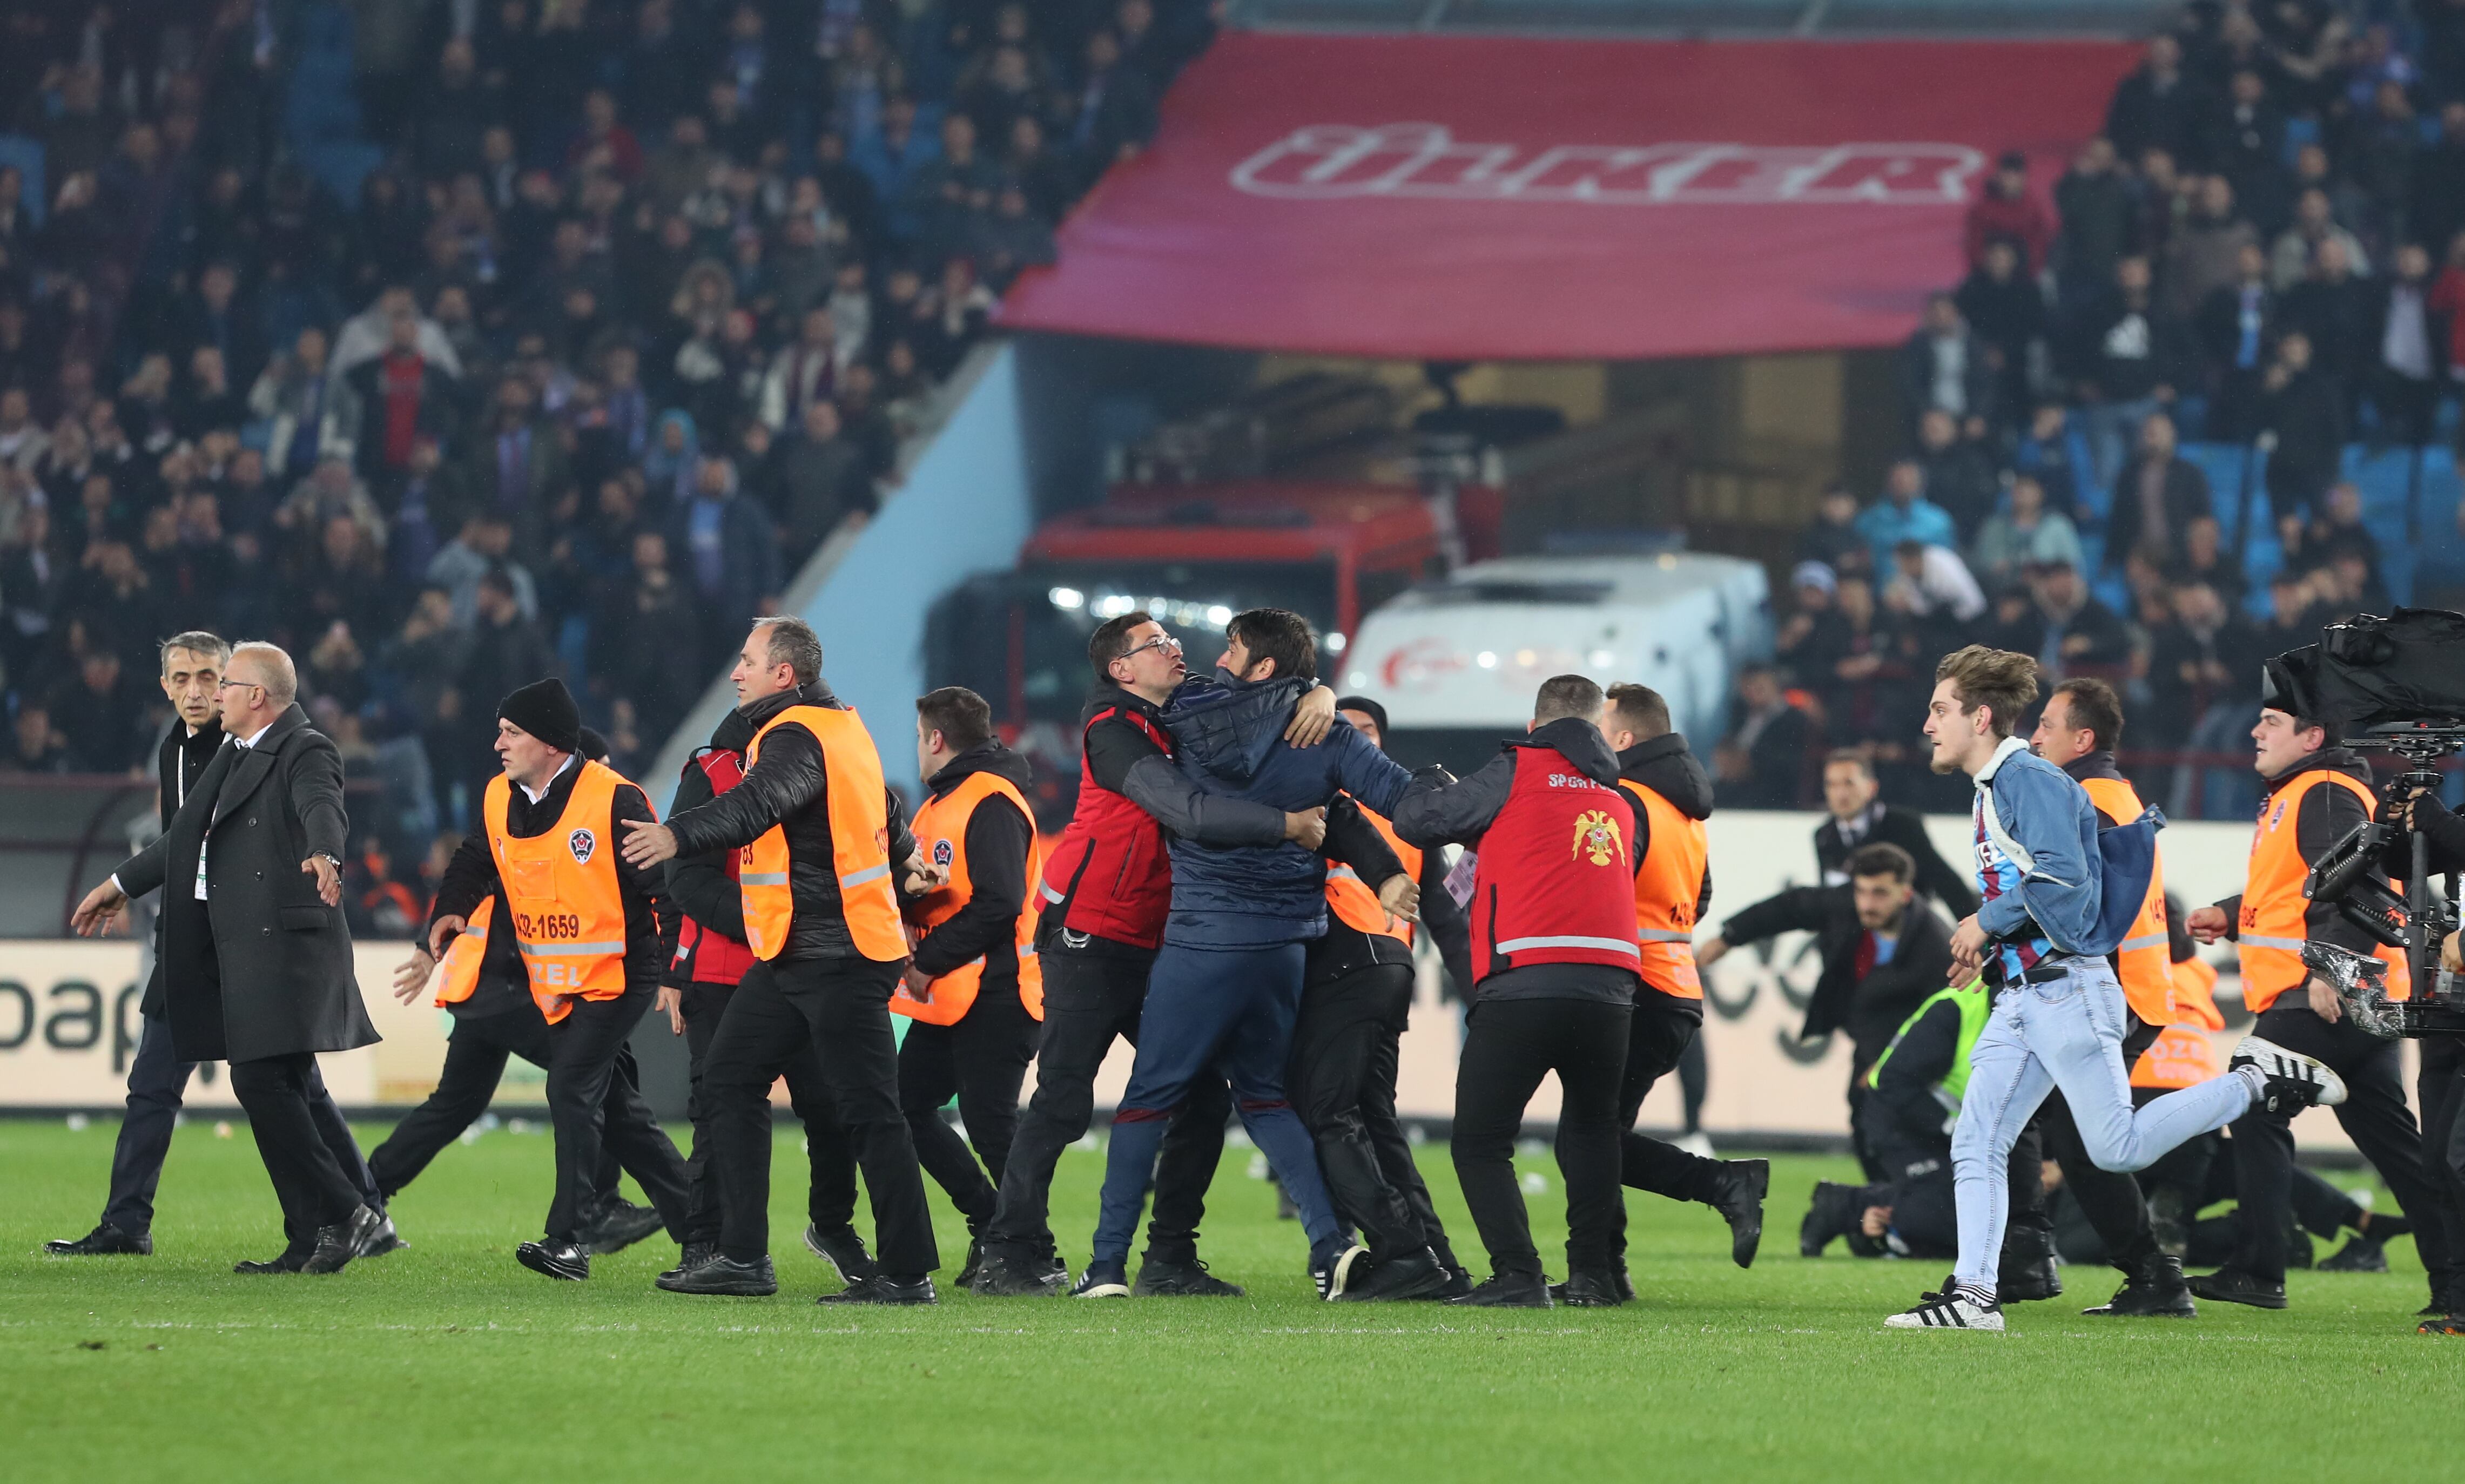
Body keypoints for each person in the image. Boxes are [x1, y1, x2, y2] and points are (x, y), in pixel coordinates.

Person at [1883, 646, 2318, 1333]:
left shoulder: (2024, 779)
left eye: (1941, 711)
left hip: (2067, 995)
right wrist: (1992, 947)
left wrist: (1985, 921)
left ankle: (2253, 1082)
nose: (1929, 724)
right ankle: (1972, 1300)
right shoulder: (2001, 784)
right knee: (1977, 1142)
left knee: (2114, 1149)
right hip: (2029, 995)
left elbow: (2068, 882)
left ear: (1981, 717)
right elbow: (2044, 885)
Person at [971, 610, 1336, 1299]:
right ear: (1122, 670)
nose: (1176, 649)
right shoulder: (1111, 732)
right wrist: (1282, 826)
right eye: (1157, 644)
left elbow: (1272, 688)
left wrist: (1320, 694)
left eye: (1172, 640)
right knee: (1063, 1098)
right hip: (1091, 935)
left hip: (1164, 938)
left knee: (1199, 1099)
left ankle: (1168, 1259)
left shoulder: (1182, 710)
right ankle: (1009, 1250)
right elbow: (1184, 810)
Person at [1077, 609, 1420, 1301]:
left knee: (1147, 1100)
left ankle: (1108, 1267)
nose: (1192, 654)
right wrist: (1315, 695)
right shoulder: (1305, 724)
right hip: (1287, 943)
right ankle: (1330, 1245)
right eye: (1161, 646)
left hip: (1205, 938)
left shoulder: (1186, 716)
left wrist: (1309, 705)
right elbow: (1379, 805)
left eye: (1229, 646)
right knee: (1264, 1096)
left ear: (1258, 666)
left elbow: (1192, 811)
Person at [625, 617, 943, 1304]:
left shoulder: (794, 736)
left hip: (837, 954)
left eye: (747, 661)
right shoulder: (842, 729)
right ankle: (742, 1258)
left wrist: (676, 835)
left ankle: (907, 1272)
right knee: (731, 1080)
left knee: (867, 1110)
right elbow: (888, 819)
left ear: (784, 675)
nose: (736, 673)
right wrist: (909, 867)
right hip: (806, 951)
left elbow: (757, 804)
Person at [47, 632, 388, 1260]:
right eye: (185, 679)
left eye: (218, 679)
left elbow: (322, 806)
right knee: (233, 1083)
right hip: (203, 943)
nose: (205, 693)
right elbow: (182, 840)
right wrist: (120, 884)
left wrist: (325, 852)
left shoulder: (291, 747)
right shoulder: (194, 749)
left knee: (275, 1084)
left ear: (252, 694)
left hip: (263, 948)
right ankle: (333, 1220)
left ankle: (349, 1211)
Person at [2182, 665, 2451, 1315]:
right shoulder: (2307, 789)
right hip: (2345, 997)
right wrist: (2230, 909)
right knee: (2400, 1153)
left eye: (2270, 723)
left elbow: (2357, 887)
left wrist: (2333, 969)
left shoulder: (2323, 789)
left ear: (2312, 737)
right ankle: (2455, 1282)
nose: (2253, 731)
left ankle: (2259, 1268)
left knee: (2252, 1102)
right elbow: (2313, 883)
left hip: (2321, 996)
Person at [423, 679, 696, 1280]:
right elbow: (475, 858)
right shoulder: (501, 796)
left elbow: (664, 892)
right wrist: (450, 910)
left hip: (622, 972)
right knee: (621, 1114)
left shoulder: (614, 799)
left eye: (511, 732)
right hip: (561, 985)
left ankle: (568, 1238)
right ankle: (704, 1232)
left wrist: (678, 971)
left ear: (549, 742)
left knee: (570, 1087)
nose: (498, 743)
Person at [366, 727, 662, 1255]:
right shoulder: (539, 825)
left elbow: (467, 877)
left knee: (457, 1105)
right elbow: (481, 883)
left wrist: (429, 947)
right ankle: (606, 1206)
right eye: (603, 765)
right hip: (506, 988)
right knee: (600, 1085)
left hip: (485, 987)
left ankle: (360, 1198)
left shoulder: (524, 820)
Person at [1392, 674, 1639, 1307]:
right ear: (1597, 729)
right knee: (1591, 1132)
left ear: (1535, 726)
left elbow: (1420, 821)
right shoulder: (1619, 794)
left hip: (1525, 980)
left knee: (1480, 1140)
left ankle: (1518, 1275)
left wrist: (1425, 780)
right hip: (1612, 988)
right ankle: (1592, 1275)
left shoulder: (1515, 769)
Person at [656, 704, 870, 1286]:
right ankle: (712, 1245)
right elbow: (685, 879)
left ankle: (831, 1225)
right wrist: (761, 927)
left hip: (805, 964)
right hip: (729, 971)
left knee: (830, 1109)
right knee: (719, 1110)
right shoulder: (714, 771)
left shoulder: (810, 765)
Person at [1286, 694, 1474, 1301]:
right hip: (1376, 975)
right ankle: (1436, 1258)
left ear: (1381, 744)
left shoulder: (1343, 803)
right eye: (1344, 730)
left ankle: (1396, 1251)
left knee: (1329, 1115)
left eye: (1364, 731)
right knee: (1375, 1125)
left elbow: (1446, 916)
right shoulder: (1407, 814)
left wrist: (1479, 993)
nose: (1354, 739)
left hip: (1351, 972)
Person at [2021, 678, 2195, 1318]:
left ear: (2082, 738)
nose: (2034, 736)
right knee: (2072, 1137)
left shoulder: (2085, 799)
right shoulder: (2114, 794)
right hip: (2127, 989)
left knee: (2082, 1140)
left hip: (2108, 993)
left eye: (2046, 725)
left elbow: (2069, 899)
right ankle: (2037, 1258)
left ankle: (2140, 1271)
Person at [1592, 682, 1769, 1286]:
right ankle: (1605, 1272)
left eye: (1599, 725)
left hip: (1635, 988)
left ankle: (1720, 1184)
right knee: (1599, 1135)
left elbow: (1603, 891)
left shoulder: (1622, 800)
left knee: (1588, 1136)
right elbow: (1703, 896)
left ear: (1622, 738)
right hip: (1674, 987)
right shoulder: (1682, 806)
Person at [893, 686, 1045, 1285]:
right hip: (954, 997)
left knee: (991, 1124)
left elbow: (1000, 903)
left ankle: (1032, 1252)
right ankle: (992, 1224)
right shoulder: (942, 806)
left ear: (936, 739)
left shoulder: (990, 801)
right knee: (907, 1111)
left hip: (998, 991)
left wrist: (927, 960)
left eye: (918, 737)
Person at [1701, 843, 1953, 1181]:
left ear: (1906, 894)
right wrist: (1728, 938)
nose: (1867, 903)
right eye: (1861, 891)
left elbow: (1941, 1018)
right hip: (1868, 1035)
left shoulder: (1934, 945)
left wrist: (1893, 1061)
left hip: (1910, 1045)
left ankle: (1900, 1206)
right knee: (1864, 1118)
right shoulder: (1845, 907)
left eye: (1880, 893)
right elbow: (1790, 907)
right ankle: (1886, 1205)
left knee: (1892, 1123)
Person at [1801, 978, 1988, 1262]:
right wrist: (1952, 1126)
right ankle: (1853, 1207)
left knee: (1987, 1221)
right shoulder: (1959, 1006)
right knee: (1962, 1220)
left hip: (1953, 1134)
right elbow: (1894, 1080)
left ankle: (1885, 1231)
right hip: (1902, 1123)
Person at [1812, 750, 1977, 916]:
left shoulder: (1903, 826)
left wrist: (1979, 931)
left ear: (1871, 787)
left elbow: (1945, 883)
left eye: (1849, 783)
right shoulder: (1824, 836)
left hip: (1906, 933)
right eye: (1831, 784)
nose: (1840, 794)